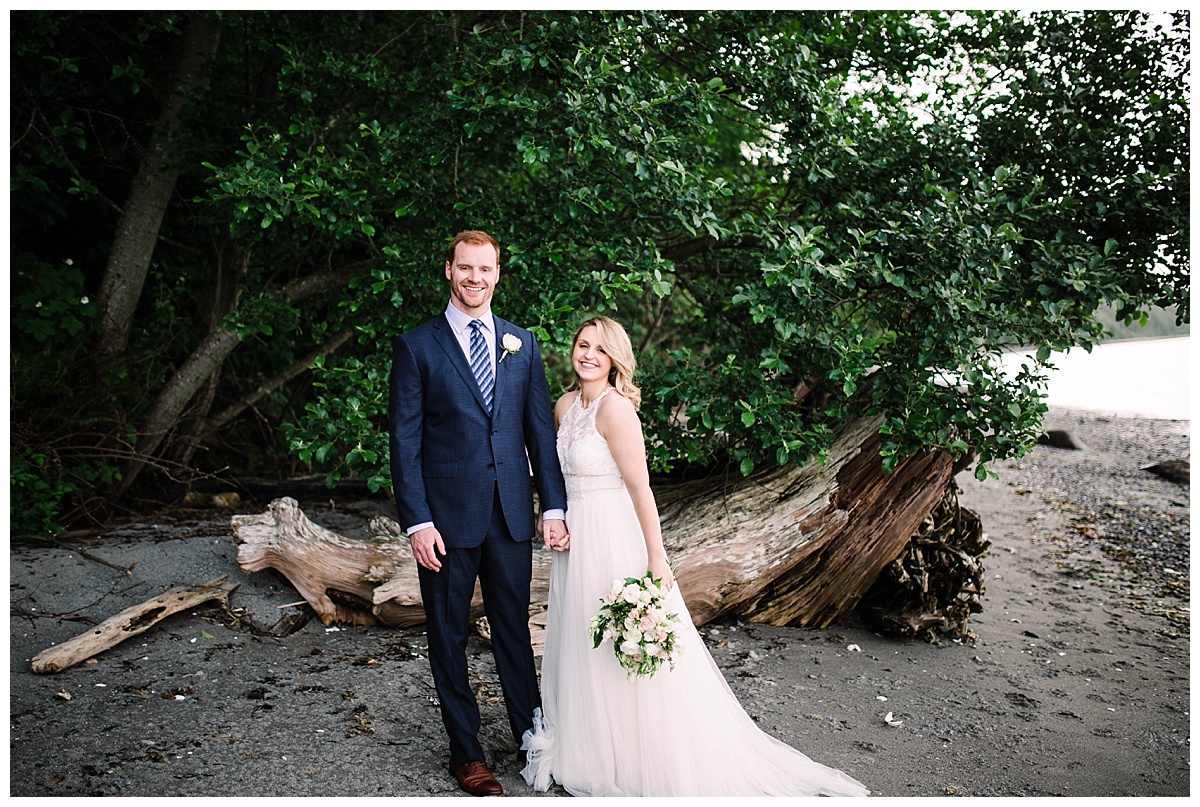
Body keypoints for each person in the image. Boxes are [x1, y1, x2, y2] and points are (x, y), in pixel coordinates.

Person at [520, 316, 869, 797]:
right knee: (580, 635)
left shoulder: (616, 410)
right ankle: (588, 744)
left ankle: (633, 753)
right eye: (583, 345)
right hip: (576, 536)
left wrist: (657, 559)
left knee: (617, 641)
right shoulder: (563, 406)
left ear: (614, 359)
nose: (588, 356)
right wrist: (551, 515)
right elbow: (552, 475)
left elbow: (641, 490)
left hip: (611, 534)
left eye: (600, 350)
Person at [389, 230, 569, 797]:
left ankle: (531, 739)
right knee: (447, 633)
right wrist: (417, 521)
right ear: (449, 271)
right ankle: (466, 753)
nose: (475, 278)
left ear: (498, 273)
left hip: (511, 514)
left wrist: (553, 505)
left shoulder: (524, 343)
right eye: (465, 268)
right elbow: (404, 439)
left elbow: (539, 431)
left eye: (484, 269)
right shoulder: (417, 345)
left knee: (514, 630)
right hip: (444, 519)